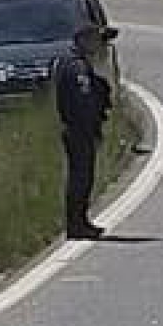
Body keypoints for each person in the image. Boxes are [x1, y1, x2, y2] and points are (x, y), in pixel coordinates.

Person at [54, 22, 112, 239]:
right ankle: (76, 223)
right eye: (92, 39)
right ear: (82, 40)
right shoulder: (76, 67)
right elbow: (83, 101)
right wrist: (93, 125)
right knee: (81, 177)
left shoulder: (68, 62)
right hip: (79, 129)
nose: (96, 44)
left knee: (82, 176)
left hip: (75, 128)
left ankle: (80, 221)